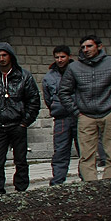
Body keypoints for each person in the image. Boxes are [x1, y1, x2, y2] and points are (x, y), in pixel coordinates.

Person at [58, 34, 111, 181]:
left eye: (89, 46)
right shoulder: (74, 67)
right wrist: (77, 112)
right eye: (83, 47)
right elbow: (64, 91)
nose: (86, 50)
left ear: (99, 46)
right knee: (86, 155)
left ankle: (109, 183)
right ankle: (91, 186)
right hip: (85, 115)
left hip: (110, 112)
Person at [0, 43, 41, 194]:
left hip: (18, 124)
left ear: (10, 56)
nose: (2, 59)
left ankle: (21, 188)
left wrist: (25, 122)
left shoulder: (24, 76)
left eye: (4, 55)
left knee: (21, 160)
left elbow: (34, 101)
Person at [42, 45, 78, 185]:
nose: (60, 60)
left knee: (84, 148)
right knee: (60, 149)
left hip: (78, 115)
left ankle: (86, 177)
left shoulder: (78, 70)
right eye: (57, 57)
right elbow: (48, 98)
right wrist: (56, 108)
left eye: (62, 57)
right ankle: (58, 178)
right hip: (61, 118)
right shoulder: (49, 76)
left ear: (68, 56)